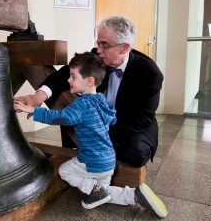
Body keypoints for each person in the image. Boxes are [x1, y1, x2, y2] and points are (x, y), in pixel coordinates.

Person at [14, 52, 167, 218]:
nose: (68, 80)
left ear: (89, 81)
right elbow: (112, 119)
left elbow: (59, 117)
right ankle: (134, 195)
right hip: (109, 161)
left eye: (73, 77)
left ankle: (95, 189)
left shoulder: (81, 104)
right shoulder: (102, 100)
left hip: (92, 161)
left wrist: (34, 111)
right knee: (105, 192)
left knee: (65, 171)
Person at [14, 16, 164, 168]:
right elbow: (64, 74)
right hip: (98, 115)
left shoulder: (150, 74)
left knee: (136, 154)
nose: (98, 50)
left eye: (104, 45)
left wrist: (99, 130)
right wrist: (38, 96)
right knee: (78, 128)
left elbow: (141, 120)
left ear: (124, 48)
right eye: (98, 43)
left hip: (131, 123)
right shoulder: (97, 56)